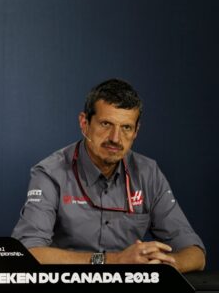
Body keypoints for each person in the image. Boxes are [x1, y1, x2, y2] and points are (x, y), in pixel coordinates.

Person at [12, 78, 205, 272]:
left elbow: (195, 254)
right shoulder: (50, 173)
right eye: (106, 124)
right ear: (84, 123)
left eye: (126, 128)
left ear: (136, 131)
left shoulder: (148, 173)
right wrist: (112, 260)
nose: (115, 138)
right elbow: (29, 252)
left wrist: (164, 267)